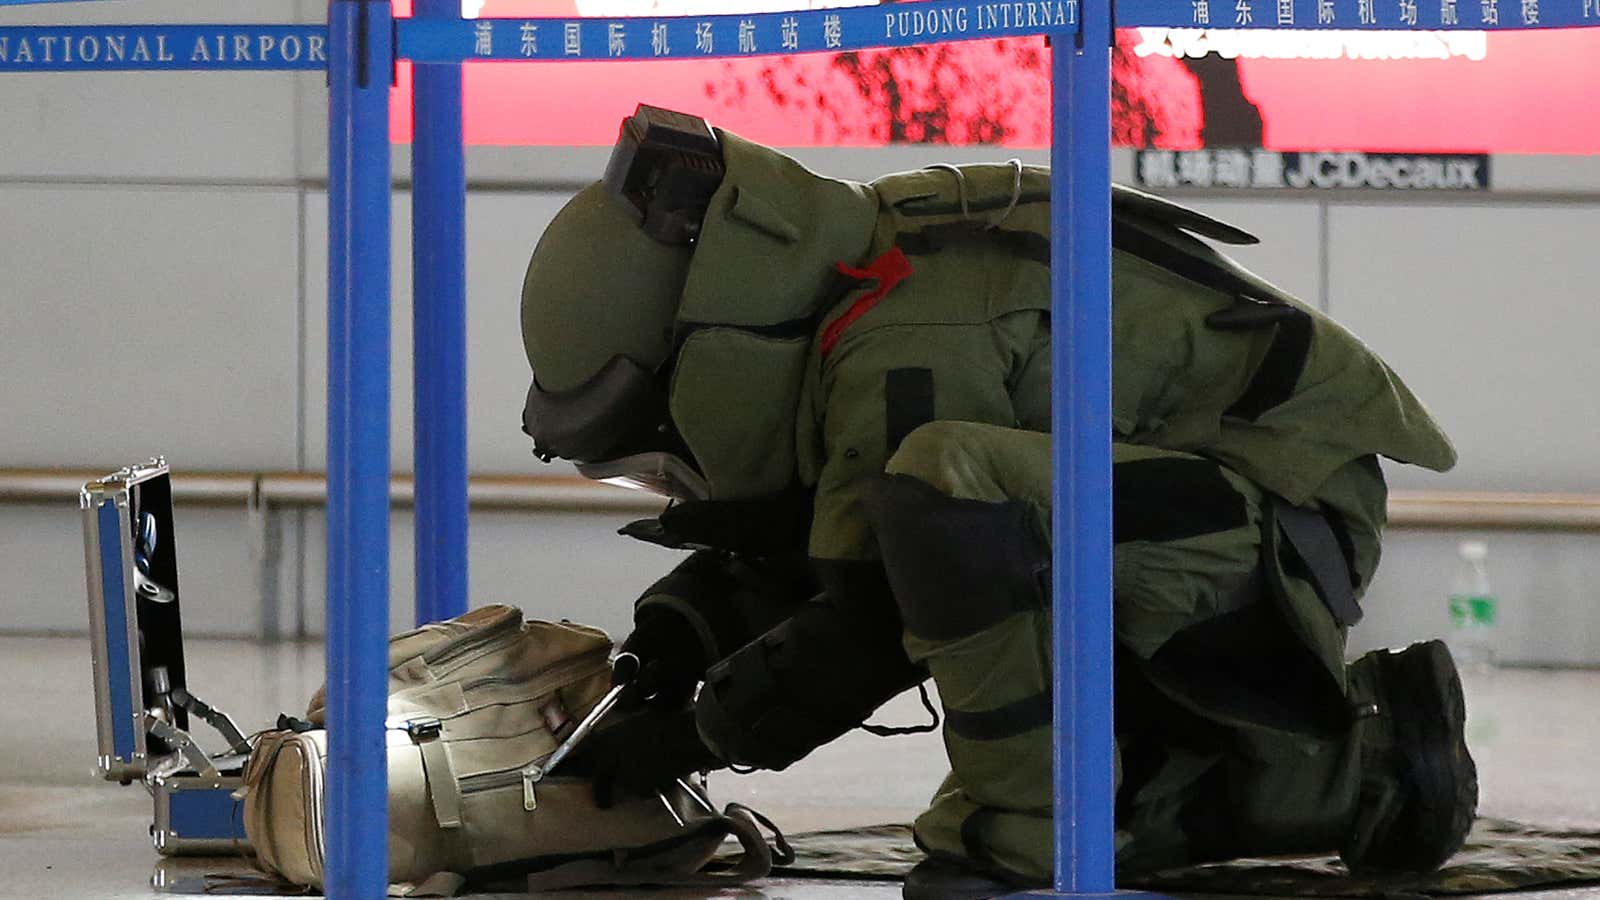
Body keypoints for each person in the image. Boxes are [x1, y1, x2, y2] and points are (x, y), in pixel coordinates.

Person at [520, 104, 1476, 900]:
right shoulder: (853, 278)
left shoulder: (905, 326)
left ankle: (1029, 840)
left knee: (943, 484)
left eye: (656, 457)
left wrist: (694, 735)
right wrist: (670, 648)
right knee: (1138, 804)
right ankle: (1370, 764)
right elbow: (830, 527)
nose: (674, 481)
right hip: (1196, 512)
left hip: (1267, 525)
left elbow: (869, 612)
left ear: (709, 358)